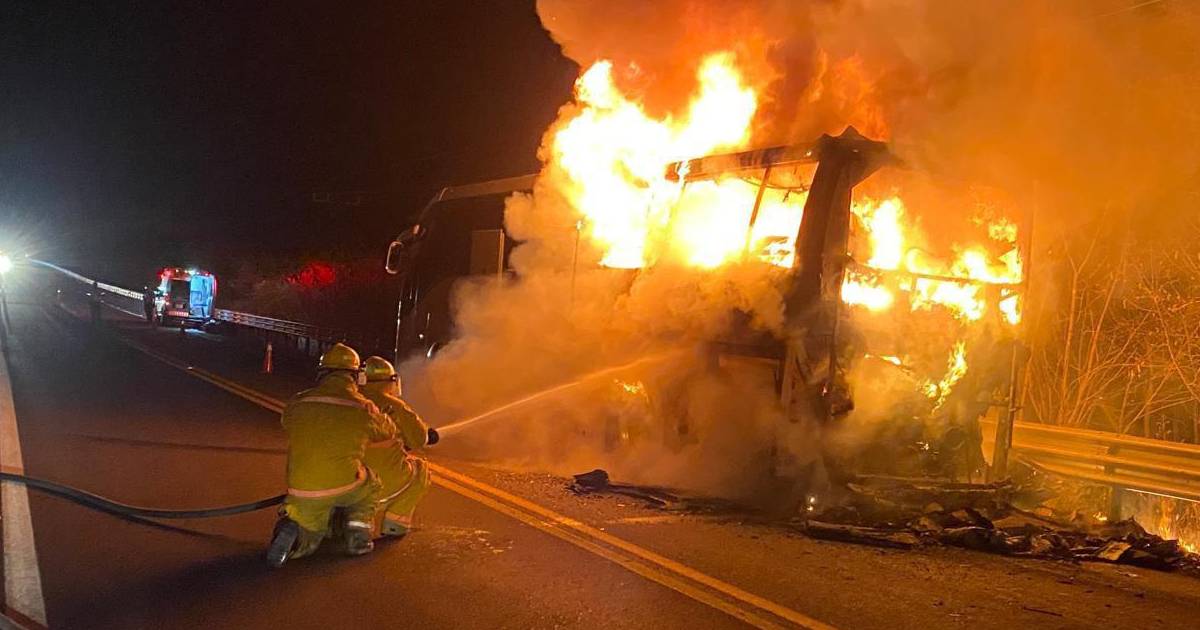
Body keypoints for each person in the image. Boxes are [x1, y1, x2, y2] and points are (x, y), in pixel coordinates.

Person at [267, 343, 397, 568]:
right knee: (372, 484)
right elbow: (387, 431)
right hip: (345, 483)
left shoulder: (300, 401)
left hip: (301, 488)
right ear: (356, 376)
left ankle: (294, 533)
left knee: (310, 535)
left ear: (322, 373)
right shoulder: (362, 407)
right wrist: (381, 415)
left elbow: (287, 422)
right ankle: (358, 536)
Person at [360, 356, 438, 538]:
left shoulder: (349, 402)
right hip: (377, 485)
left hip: (345, 482)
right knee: (421, 471)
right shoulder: (396, 406)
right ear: (390, 381)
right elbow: (419, 439)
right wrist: (428, 435)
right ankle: (395, 525)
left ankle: (356, 522)